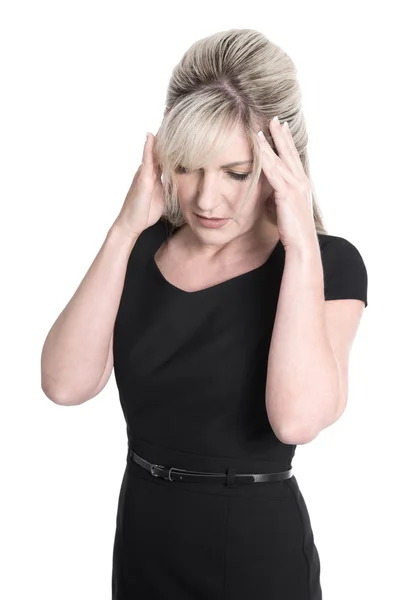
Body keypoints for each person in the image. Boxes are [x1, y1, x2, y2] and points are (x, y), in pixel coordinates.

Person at [41, 29, 368, 599]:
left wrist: (301, 248)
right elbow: (64, 385)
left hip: (253, 551)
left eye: (236, 172)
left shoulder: (329, 265)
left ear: (280, 162)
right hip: (145, 537)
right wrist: (123, 230)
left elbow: (298, 421)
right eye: (188, 166)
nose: (205, 199)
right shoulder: (141, 249)